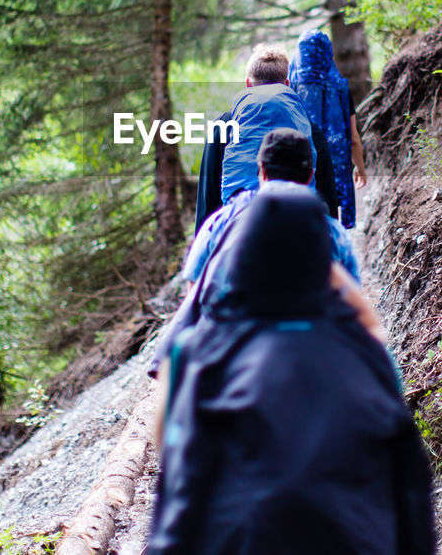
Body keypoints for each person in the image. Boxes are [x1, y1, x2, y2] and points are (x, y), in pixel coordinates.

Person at [147, 190, 436, 555]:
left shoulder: (194, 355)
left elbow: (169, 456)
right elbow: (407, 484)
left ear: (243, 258)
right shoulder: (365, 355)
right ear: (323, 266)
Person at [151, 129, 373, 380]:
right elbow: (350, 305)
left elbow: (195, 290)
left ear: (261, 171)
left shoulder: (222, 220)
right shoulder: (332, 232)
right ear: (311, 175)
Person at [194, 46, 337, 232]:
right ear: (287, 84)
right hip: (299, 228)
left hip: (238, 230)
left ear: (247, 83)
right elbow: (327, 197)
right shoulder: (310, 130)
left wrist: (205, 242)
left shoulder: (224, 127)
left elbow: (208, 194)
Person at [289, 29, 368, 228]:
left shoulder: (290, 88)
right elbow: (354, 139)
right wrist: (360, 168)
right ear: (328, 53)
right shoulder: (340, 87)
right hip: (333, 175)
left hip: (299, 169)